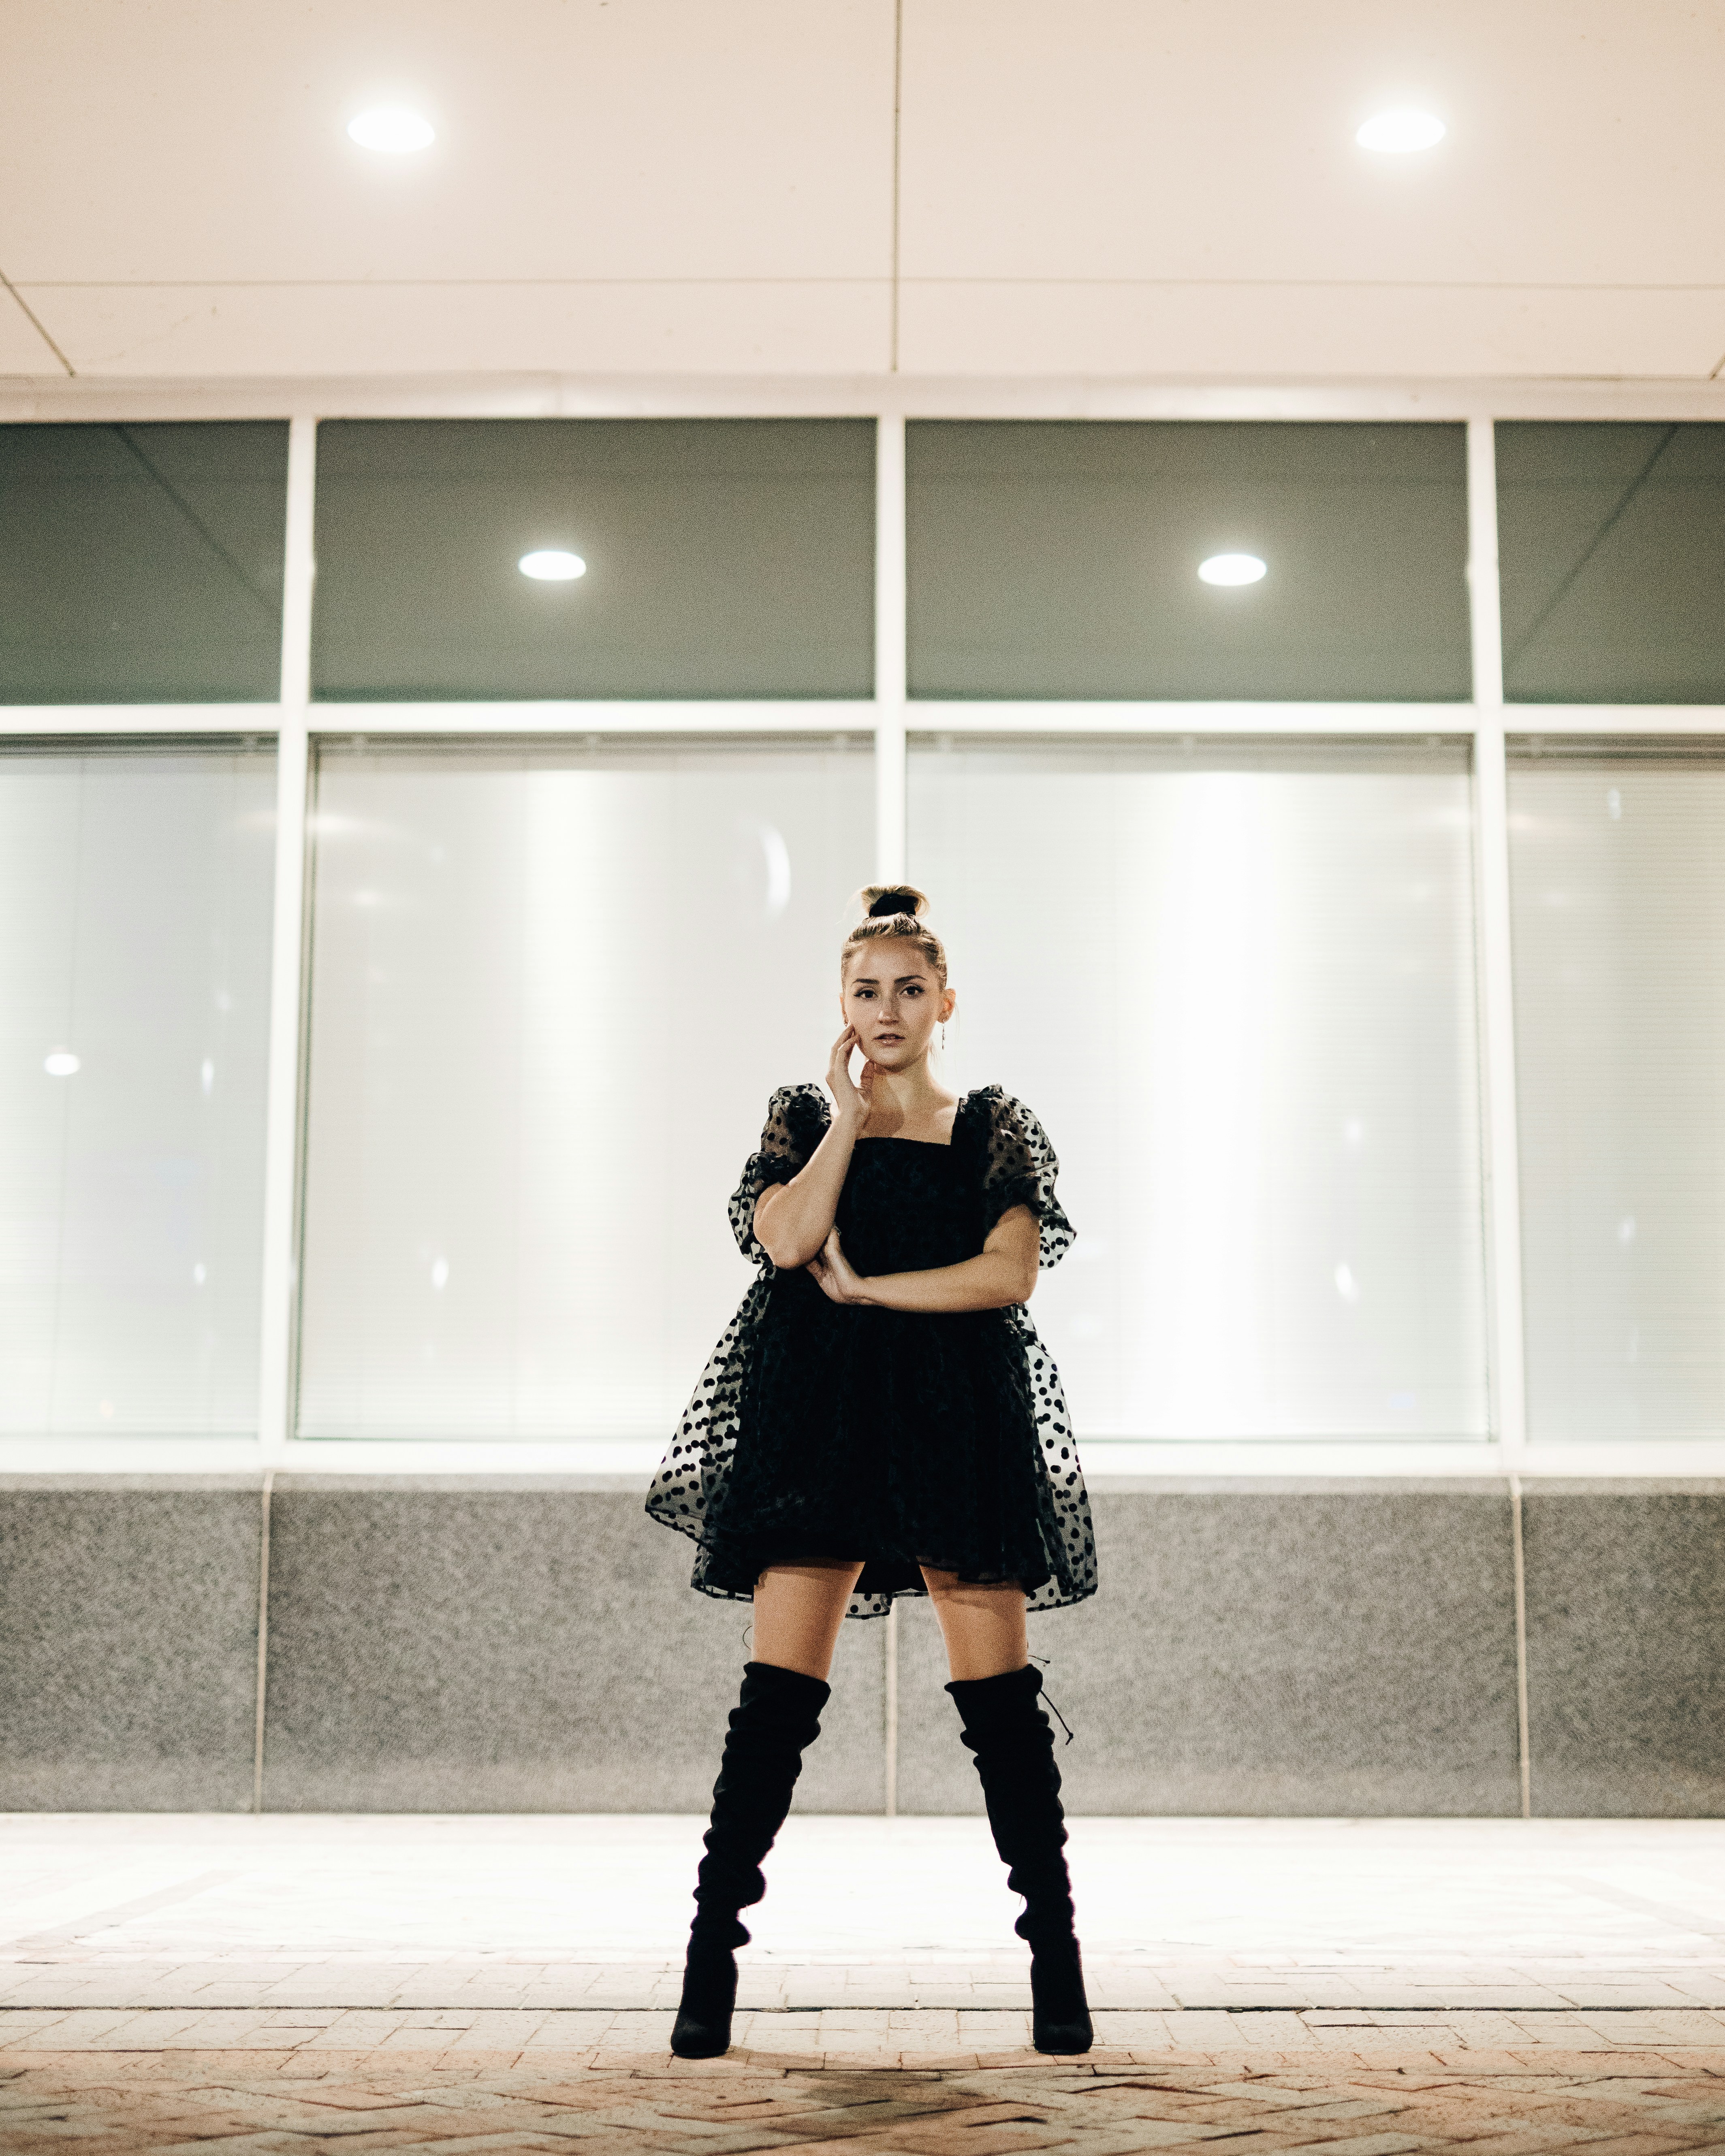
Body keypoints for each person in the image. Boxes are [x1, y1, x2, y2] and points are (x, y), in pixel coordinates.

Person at [645, 884, 1097, 2059]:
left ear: (945, 1001)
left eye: (907, 987)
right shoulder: (803, 1116)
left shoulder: (992, 1123)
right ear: (840, 1008)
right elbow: (786, 1240)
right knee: (774, 1707)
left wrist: (874, 1291)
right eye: (864, 990)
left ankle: (1058, 1965)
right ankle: (707, 1970)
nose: (886, 1007)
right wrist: (849, 1117)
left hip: (956, 1418)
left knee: (1002, 1711)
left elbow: (1008, 1275)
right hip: (820, 1416)